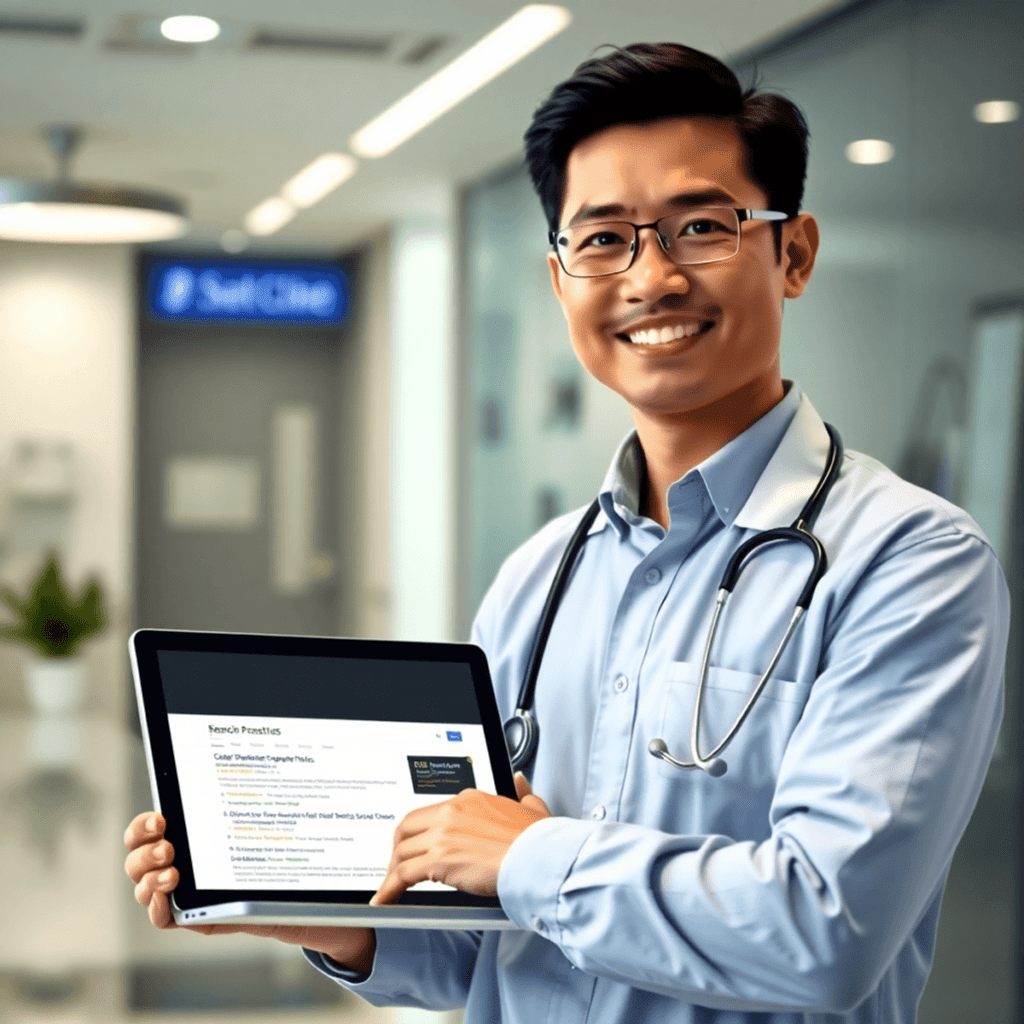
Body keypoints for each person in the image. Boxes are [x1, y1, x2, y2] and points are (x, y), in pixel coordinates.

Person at [125, 42, 1009, 1024]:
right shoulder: (540, 575)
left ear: (791, 252)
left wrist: (529, 853)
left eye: (700, 226)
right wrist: (334, 919)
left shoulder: (909, 563)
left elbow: (827, 929)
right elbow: (485, 951)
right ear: (559, 281)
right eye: (601, 239)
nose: (651, 276)